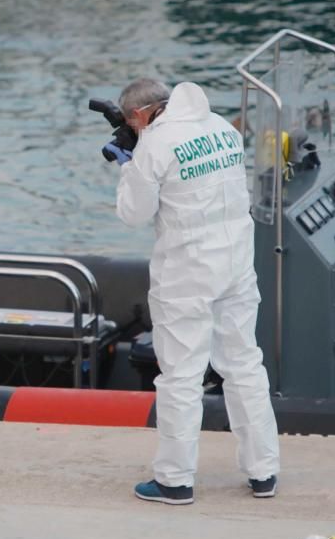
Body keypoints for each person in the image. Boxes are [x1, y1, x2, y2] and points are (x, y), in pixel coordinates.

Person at [111, 78, 280, 505]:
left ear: (139, 115)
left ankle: (174, 480)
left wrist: (128, 166)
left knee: (181, 376)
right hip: (236, 264)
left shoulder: (156, 142)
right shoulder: (222, 127)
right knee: (244, 364)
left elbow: (134, 213)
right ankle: (264, 471)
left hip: (187, 272)